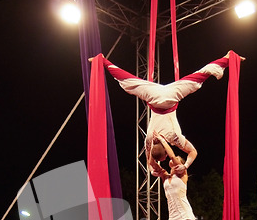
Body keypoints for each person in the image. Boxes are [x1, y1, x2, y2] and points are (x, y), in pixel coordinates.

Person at [97, 52, 238, 177]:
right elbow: (149, 159)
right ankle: (103, 61)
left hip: (171, 97)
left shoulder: (175, 138)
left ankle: (226, 59)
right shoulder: (149, 139)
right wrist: (153, 169)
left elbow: (193, 152)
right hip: (152, 96)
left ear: (166, 151)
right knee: (127, 80)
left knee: (197, 77)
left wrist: (185, 166)